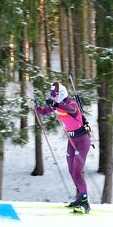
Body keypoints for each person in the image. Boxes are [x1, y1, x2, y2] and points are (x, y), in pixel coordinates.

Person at [34, 82, 91, 213]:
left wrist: (56, 104)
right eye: (51, 94)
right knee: (72, 171)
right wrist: (36, 107)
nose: (52, 96)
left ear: (61, 94)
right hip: (72, 140)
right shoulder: (57, 106)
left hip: (82, 140)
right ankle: (80, 199)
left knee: (77, 171)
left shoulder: (70, 103)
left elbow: (72, 110)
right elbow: (43, 111)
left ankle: (85, 202)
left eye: (54, 94)